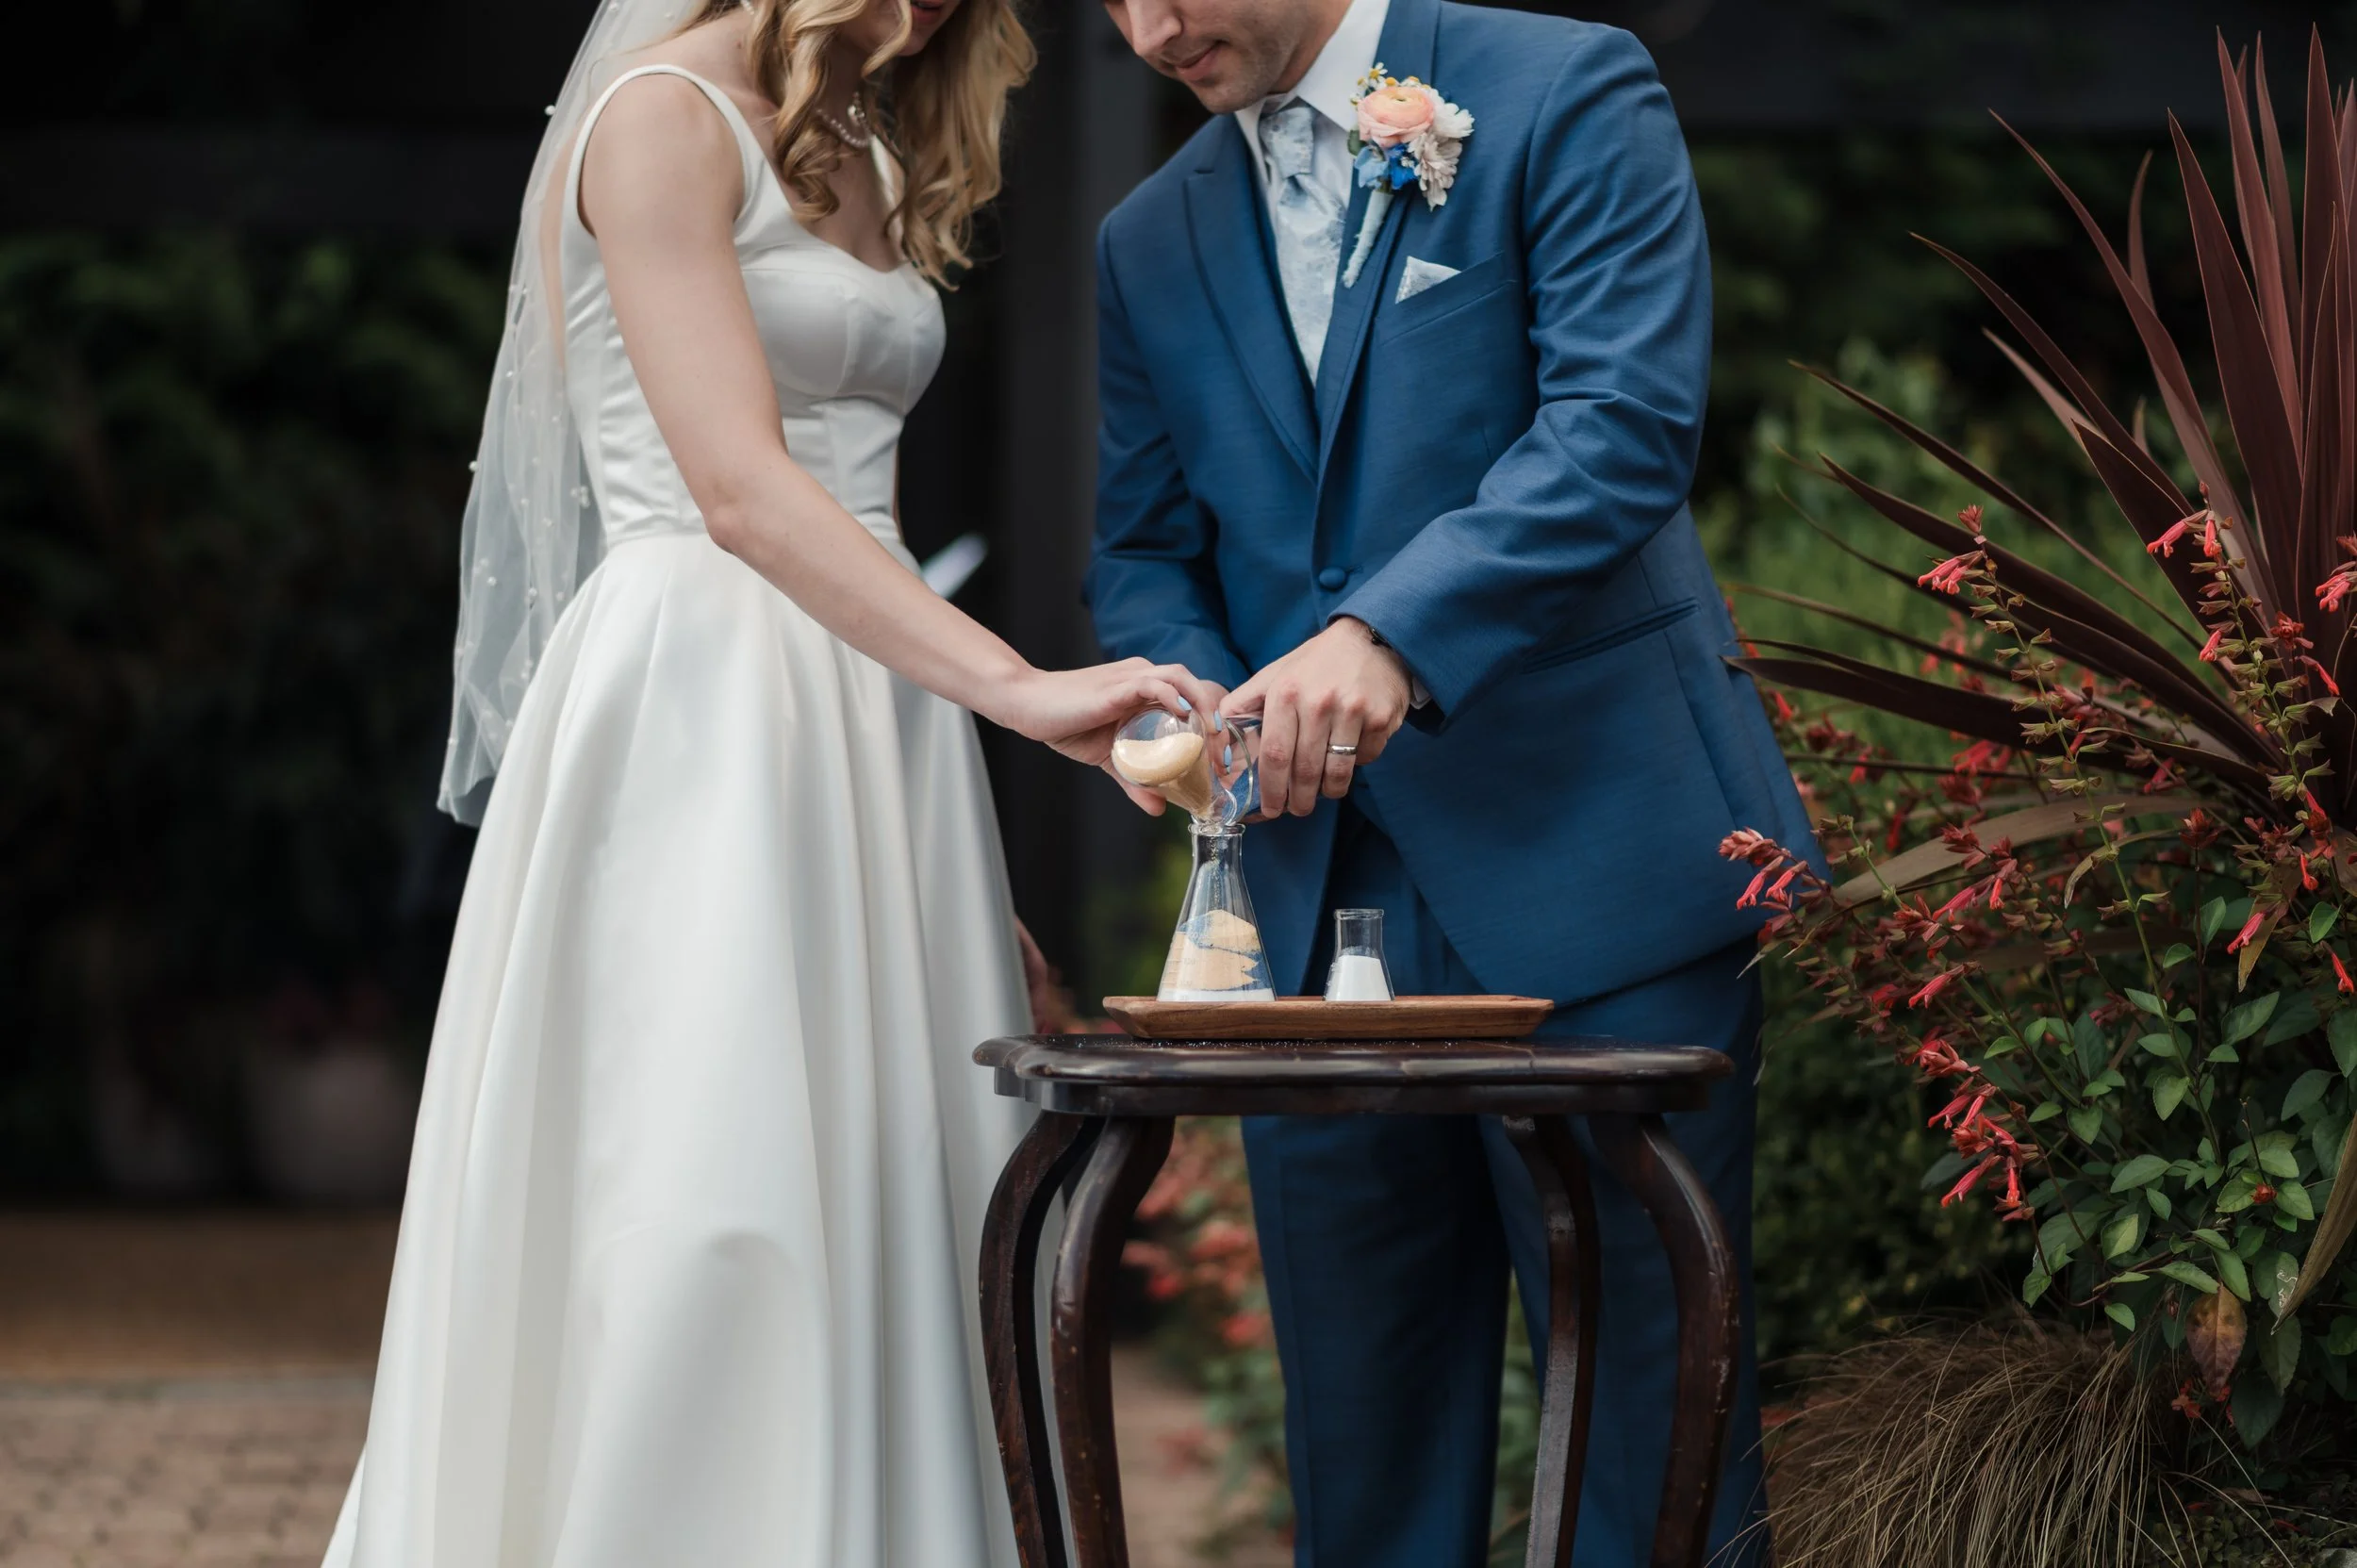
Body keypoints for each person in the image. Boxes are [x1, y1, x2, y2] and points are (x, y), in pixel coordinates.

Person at [323, 1, 1215, 1563]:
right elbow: (737, 488)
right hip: (704, 693)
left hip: (876, 709)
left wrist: (943, 874)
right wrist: (1017, 687)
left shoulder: (865, 131)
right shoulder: (660, 116)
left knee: (890, 1183)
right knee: (705, 1180)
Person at [1089, 0, 1820, 1563]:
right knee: (1367, 1465)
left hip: (1597, 861)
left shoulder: (1564, 88)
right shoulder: (1145, 241)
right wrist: (1186, 687)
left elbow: (1622, 425)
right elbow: (1146, 550)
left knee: (1653, 1441)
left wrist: (1389, 635)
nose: (1148, 31)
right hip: (1311, 905)